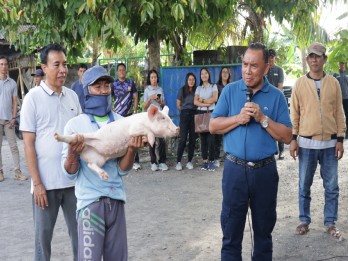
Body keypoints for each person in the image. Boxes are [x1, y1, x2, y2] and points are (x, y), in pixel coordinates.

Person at [210, 42, 292, 260]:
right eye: (245, 64)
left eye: (254, 66)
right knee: (230, 235)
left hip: (265, 172)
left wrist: (263, 119)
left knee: (264, 235)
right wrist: (238, 118)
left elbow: (286, 135)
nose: (247, 70)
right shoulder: (229, 91)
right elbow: (213, 126)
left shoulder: (276, 96)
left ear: (266, 68)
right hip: (234, 171)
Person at [62, 65, 147, 260]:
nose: (103, 91)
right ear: (86, 92)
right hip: (90, 205)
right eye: (97, 86)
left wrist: (132, 149)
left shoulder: (121, 122)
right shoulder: (75, 125)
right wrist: (72, 154)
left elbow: (122, 170)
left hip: (116, 200)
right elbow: (70, 172)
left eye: (106, 87)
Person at [20, 44, 81, 260]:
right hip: (45, 185)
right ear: (44, 67)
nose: (63, 69)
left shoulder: (73, 97)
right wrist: (37, 184)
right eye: (57, 65)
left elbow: (80, 134)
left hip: (74, 182)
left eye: (65, 64)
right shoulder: (32, 99)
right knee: (42, 241)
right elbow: (28, 145)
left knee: (81, 238)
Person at [290, 42, 346, 240]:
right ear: (307, 60)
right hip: (306, 143)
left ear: (324, 59)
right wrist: (293, 139)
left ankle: (330, 223)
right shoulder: (299, 84)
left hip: (330, 144)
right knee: (304, 185)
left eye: (318, 56)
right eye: (311, 56)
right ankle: (304, 220)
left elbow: (339, 112)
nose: (314, 59)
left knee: (331, 187)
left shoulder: (334, 83)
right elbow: (294, 113)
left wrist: (340, 138)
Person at [0, 55, 27, 182]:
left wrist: (13, 117)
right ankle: (0, 172)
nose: (3, 67)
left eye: (5, 64)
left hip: (8, 120)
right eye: (1, 64)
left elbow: (15, 101)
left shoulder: (11, 83)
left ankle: (17, 171)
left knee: (14, 146)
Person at [112, 63, 141, 170]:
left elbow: (135, 96)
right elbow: (109, 97)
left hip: (129, 115)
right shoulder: (113, 84)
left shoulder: (130, 82)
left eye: (123, 70)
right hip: (117, 115)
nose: (122, 72)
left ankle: (136, 161)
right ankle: (119, 160)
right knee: (119, 137)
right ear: (117, 72)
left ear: (126, 71)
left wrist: (135, 110)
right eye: (120, 70)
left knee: (133, 136)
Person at [143, 69, 169, 171]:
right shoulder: (147, 90)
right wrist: (150, 98)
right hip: (151, 118)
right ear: (149, 79)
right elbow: (145, 107)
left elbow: (164, 105)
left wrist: (160, 101)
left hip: (160, 117)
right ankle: (153, 162)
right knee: (152, 140)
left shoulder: (160, 89)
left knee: (162, 140)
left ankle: (162, 161)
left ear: (157, 78)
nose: (154, 79)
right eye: (152, 77)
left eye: (155, 77)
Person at [194, 67, 218, 171]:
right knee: (203, 139)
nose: (204, 75)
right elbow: (195, 102)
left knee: (211, 139)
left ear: (208, 75)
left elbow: (215, 99)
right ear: (200, 76)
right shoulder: (198, 88)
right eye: (202, 74)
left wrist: (202, 100)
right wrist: (207, 102)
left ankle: (212, 161)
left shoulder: (213, 86)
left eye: (206, 73)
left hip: (211, 113)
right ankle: (204, 161)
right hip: (201, 113)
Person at [175, 72, 197, 171]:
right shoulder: (182, 90)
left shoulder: (197, 90)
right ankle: (178, 161)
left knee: (192, 139)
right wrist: (183, 111)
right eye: (189, 79)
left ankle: (189, 161)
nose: (191, 81)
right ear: (187, 80)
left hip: (194, 114)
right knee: (183, 139)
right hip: (184, 115)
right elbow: (178, 104)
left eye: (193, 79)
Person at [266, 49, 285, 160]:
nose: (271, 59)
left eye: (272, 57)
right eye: (269, 57)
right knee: (267, 125)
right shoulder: (264, 70)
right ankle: (271, 149)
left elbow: (280, 86)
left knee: (279, 126)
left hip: (277, 101)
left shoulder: (279, 70)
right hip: (266, 101)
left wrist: (274, 98)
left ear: (275, 58)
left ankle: (281, 151)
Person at [214, 67, 231, 167]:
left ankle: (228, 157)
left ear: (229, 74)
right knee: (218, 137)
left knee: (229, 135)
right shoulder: (216, 86)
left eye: (227, 72)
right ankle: (216, 158)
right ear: (220, 74)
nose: (225, 74)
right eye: (223, 72)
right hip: (220, 114)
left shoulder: (231, 86)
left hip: (229, 114)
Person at [335, 62, 348, 138]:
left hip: (346, 98)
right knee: (339, 115)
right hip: (339, 99)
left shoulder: (346, 77)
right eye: (340, 65)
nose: (342, 66)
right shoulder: (337, 77)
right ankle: (339, 132)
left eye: (343, 65)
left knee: (347, 115)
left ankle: (346, 133)